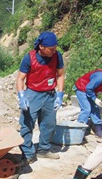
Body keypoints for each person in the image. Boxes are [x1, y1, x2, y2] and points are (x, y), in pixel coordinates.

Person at [16, 31, 65, 164]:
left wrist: (60, 95)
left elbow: (60, 75)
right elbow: (20, 78)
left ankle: (43, 149)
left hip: (50, 95)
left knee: (49, 124)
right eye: (51, 49)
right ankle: (27, 153)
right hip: (33, 94)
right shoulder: (29, 58)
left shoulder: (57, 56)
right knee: (27, 124)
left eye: (55, 48)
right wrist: (22, 96)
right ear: (41, 47)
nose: (53, 51)